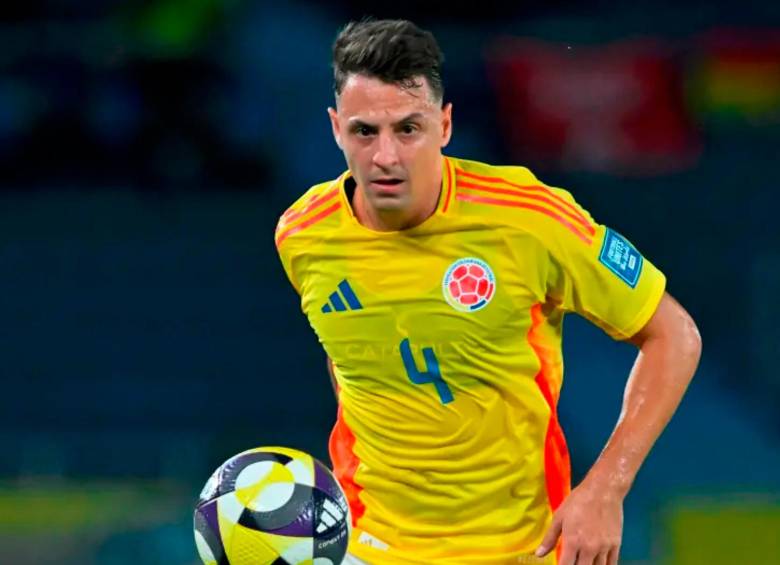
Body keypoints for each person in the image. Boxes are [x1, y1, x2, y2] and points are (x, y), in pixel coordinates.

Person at [274, 18, 701, 565]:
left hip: (519, 547)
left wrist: (606, 487)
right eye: (364, 132)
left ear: (445, 125)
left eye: (409, 129)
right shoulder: (302, 235)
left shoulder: (530, 220)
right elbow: (350, 356)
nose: (386, 157)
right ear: (336, 128)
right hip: (369, 546)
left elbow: (674, 336)